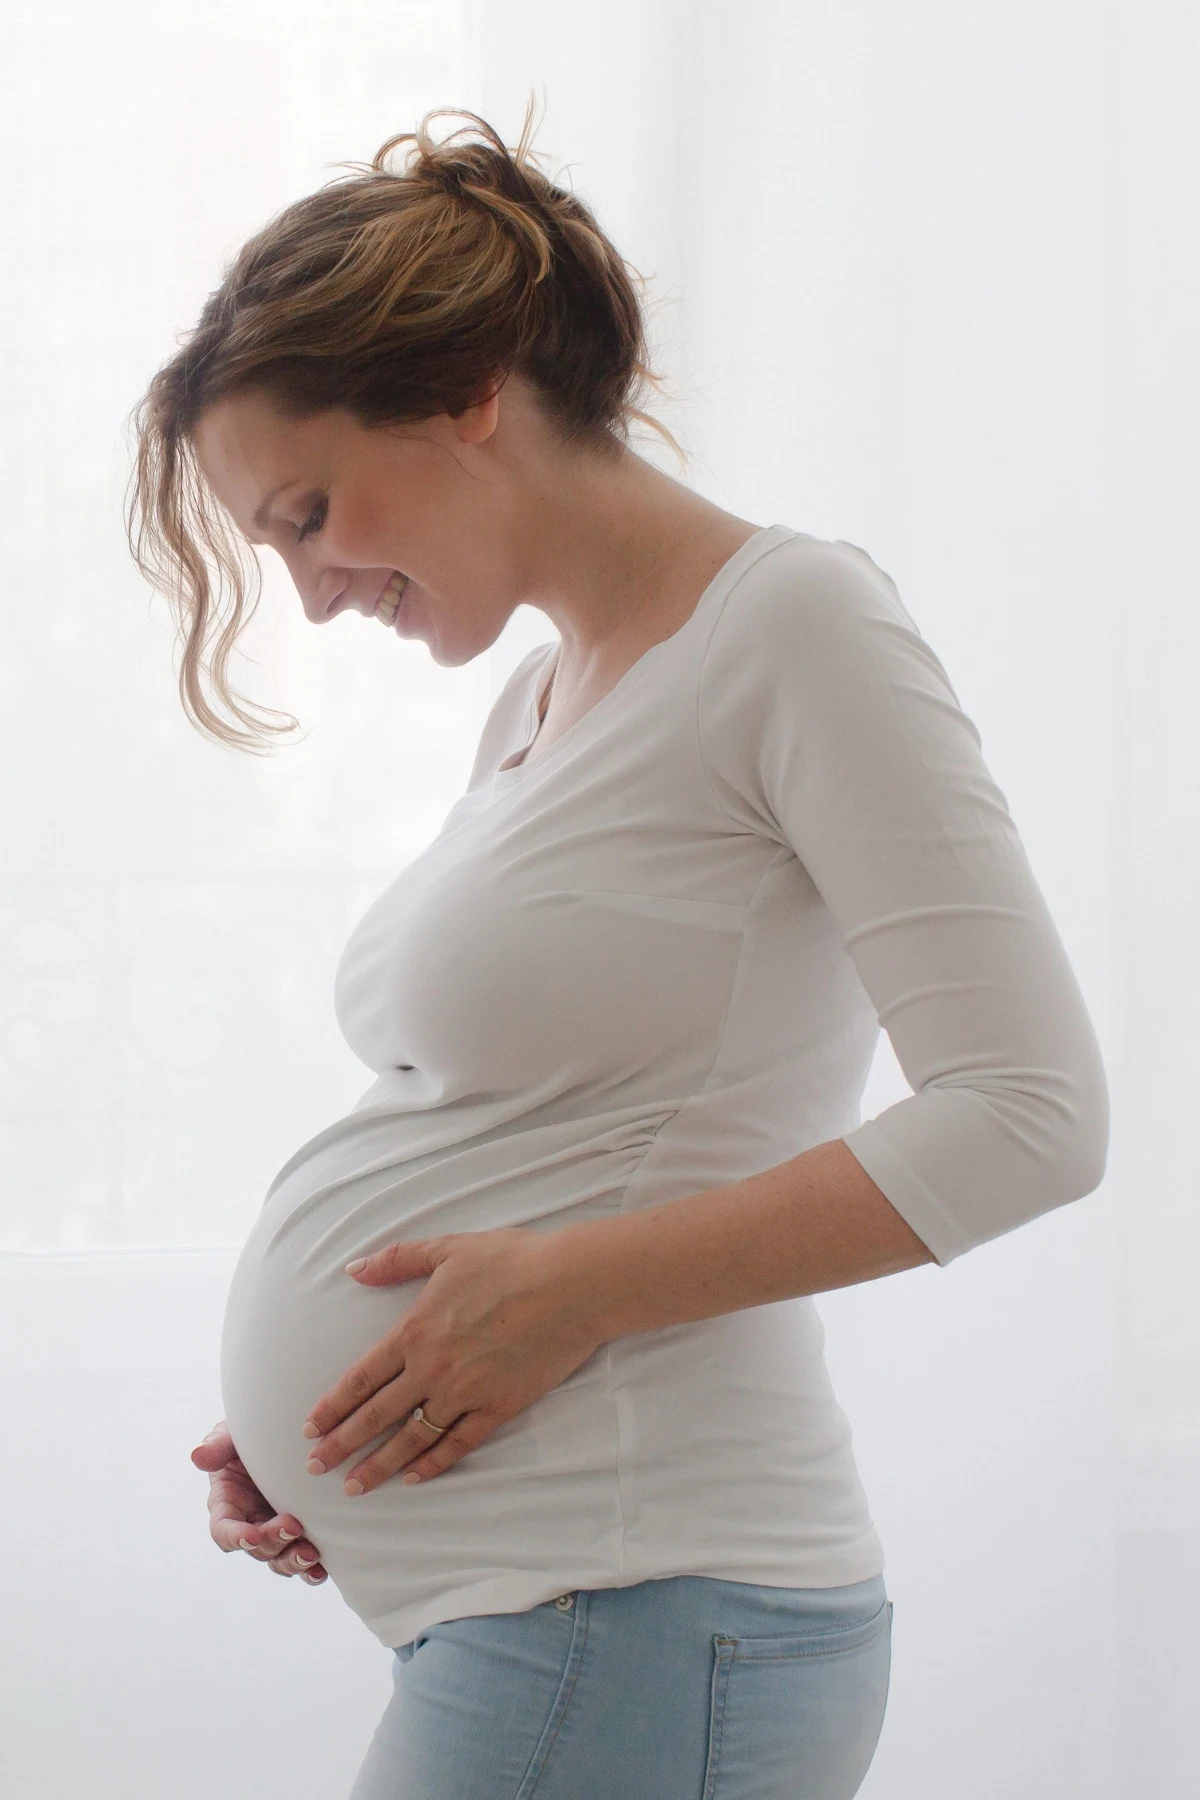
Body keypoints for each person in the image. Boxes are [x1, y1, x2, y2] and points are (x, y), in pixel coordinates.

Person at [127, 102, 1109, 1800]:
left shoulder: (795, 621)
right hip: (559, 1606)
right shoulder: (538, 694)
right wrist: (348, 1424)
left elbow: (1031, 1111)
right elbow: (578, 1113)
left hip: (649, 1604)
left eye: (304, 513)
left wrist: (556, 1302)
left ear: (466, 394)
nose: (305, 592)